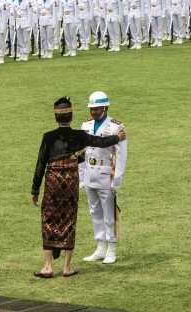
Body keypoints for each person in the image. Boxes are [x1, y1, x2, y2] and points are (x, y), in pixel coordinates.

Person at [31, 97, 126, 278]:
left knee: (49, 219)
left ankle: (48, 266)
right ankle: (67, 267)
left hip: (53, 181)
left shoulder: (48, 137)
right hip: (71, 182)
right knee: (69, 219)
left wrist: (35, 190)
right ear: (71, 117)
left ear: (56, 118)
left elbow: (40, 164)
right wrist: (117, 137)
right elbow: (100, 142)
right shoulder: (80, 135)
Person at [80, 91, 127, 265]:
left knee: (110, 213)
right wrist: (81, 175)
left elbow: (121, 155)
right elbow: (82, 151)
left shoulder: (116, 126)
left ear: (105, 108)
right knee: (95, 211)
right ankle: (100, 246)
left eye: (97, 108)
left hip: (107, 173)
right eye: (92, 109)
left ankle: (112, 248)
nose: (93, 112)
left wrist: (117, 179)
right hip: (91, 172)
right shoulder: (86, 125)